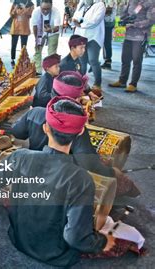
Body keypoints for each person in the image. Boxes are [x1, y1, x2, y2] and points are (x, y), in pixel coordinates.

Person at [0, 96, 115, 267]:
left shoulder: (19, 157)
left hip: (18, 240)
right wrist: (103, 241)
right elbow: (75, 238)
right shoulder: (81, 179)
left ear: (45, 128)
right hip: (58, 256)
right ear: (80, 132)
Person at [11, 71, 140, 197]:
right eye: (79, 97)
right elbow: (90, 164)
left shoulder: (35, 113)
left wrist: (28, 115)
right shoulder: (77, 130)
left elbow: (17, 132)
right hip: (64, 181)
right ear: (72, 101)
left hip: (35, 171)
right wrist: (113, 173)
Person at [109, 0, 155, 92]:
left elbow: (151, 20)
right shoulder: (131, 1)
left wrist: (134, 24)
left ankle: (133, 84)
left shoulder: (150, 2)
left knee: (136, 60)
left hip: (140, 36)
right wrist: (123, 18)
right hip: (128, 34)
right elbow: (124, 14)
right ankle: (122, 81)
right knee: (125, 59)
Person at [71, 0, 106, 92]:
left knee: (93, 60)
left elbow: (95, 20)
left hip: (94, 37)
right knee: (81, 61)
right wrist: (74, 21)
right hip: (81, 36)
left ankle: (97, 84)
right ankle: (81, 82)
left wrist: (81, 24)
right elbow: (75, 16)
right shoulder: (82, 3)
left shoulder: (100, 5)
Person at [31, 0, 61, 75]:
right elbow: (35, 27)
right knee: (37, 50)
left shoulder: (56, 11)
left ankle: (51, 71)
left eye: (48, 9)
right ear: (40, 5)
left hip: (53, 32)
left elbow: (57, 27)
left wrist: (51, 30)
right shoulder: (36, 11)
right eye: (43, 8)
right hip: (40, 32)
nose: (45, 11)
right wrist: (37, 40)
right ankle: (38, 70)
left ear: (51, 6)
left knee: (52, 52)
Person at [9, 0, 34, 68]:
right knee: (13, 45)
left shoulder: (30, 3)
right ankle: (12, 60)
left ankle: (23, 61)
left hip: (24, 28)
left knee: (23, 46)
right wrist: (15, 8)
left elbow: (29, 15)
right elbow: (11, 14)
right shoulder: (15, 2)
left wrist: (24, 8)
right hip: (15, 27)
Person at [101, 0, 116, 69]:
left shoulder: (110, 1)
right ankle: (107, 60)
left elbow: (108, 11)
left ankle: (107, 61)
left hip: (107, 23)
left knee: (106, 43)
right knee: (106, 43)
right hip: (106, 23)